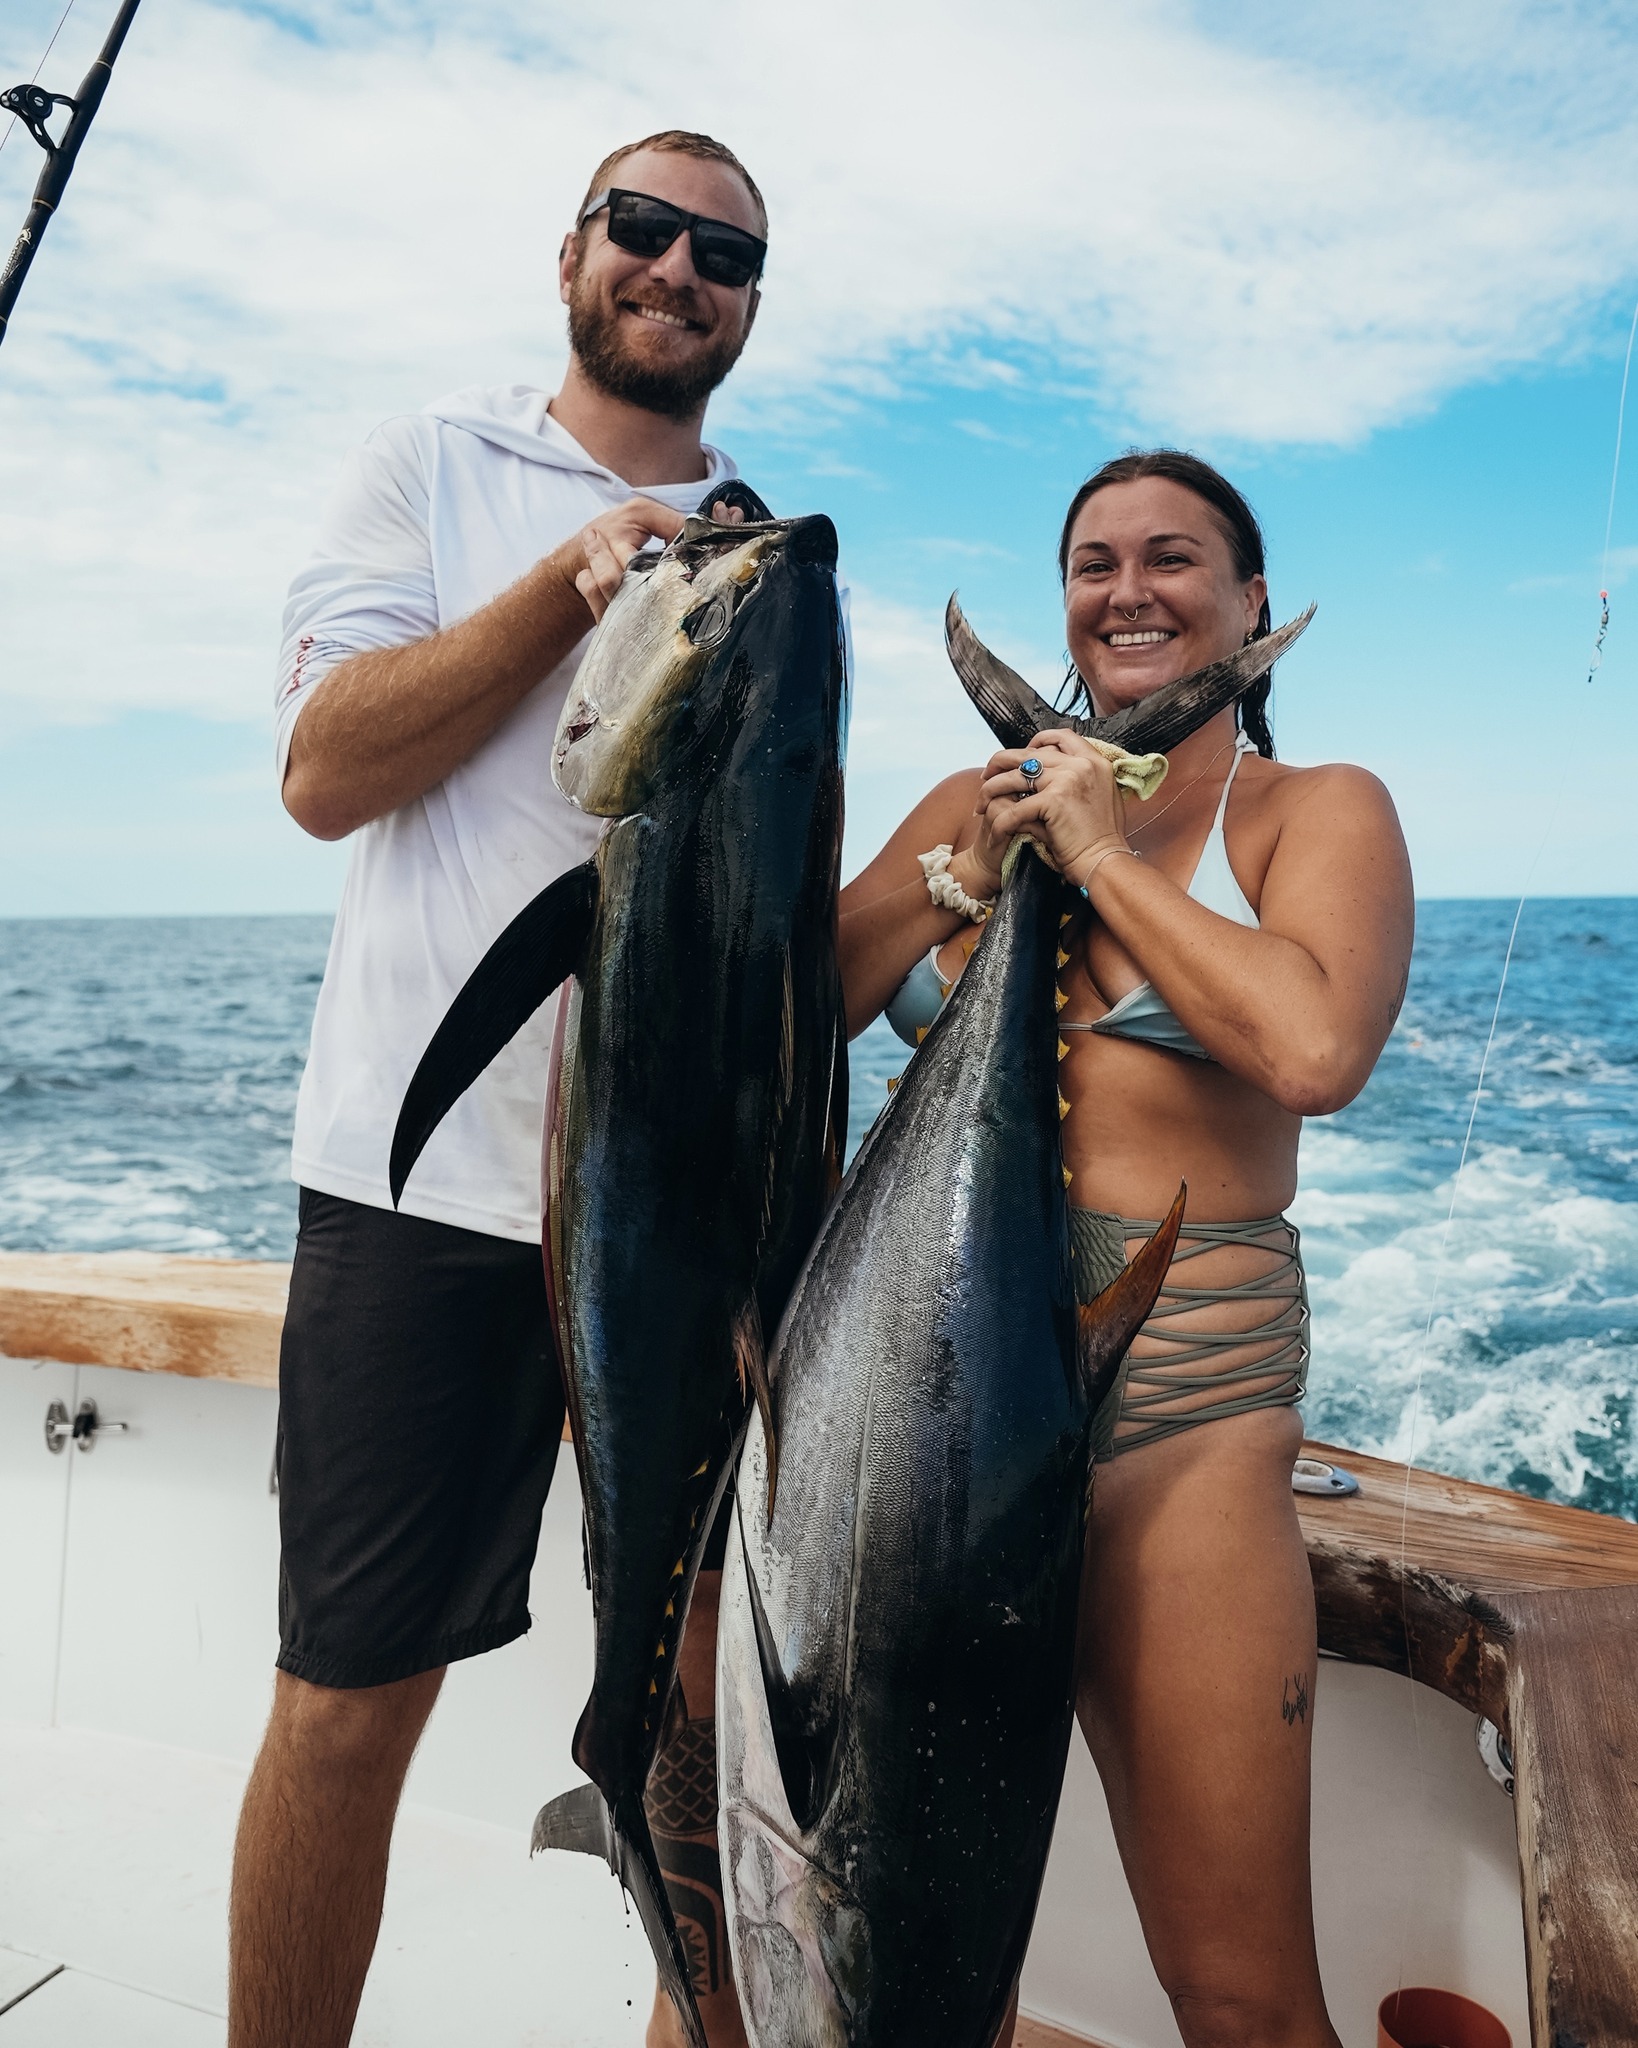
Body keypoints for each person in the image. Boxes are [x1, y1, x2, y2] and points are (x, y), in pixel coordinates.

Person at [239, 131, 771, 2048]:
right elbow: (325, 773)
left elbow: (764, 923)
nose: (677, 267)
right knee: (346, 1698)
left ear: (745, 305)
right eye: (644, 227)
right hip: (422, 1197)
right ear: (573, 252)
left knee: (709, 1718)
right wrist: (569, 583)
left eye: (723, 251)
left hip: (681, 1227)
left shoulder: (765, 553)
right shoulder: (433, 466)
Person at [839, 449, 1414, 2048]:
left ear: (1242, 600)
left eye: (1172, 559)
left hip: (1180, 1431)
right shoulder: (975, 806)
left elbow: (1311, 1053)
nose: (1126, 592)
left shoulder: (1317, 811)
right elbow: (783, 1020)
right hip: (930, 1413)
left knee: (1234, 1991)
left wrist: (1097, 853)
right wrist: (971, 865)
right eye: (1093, 564)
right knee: (904, 1954)